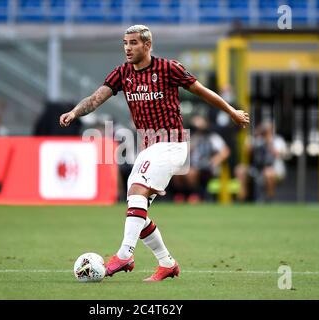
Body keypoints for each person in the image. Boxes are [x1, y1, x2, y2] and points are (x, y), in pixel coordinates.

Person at [59, 25, 249, 282]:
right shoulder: (122, 73)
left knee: (136, 190)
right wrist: (74, 112)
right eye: (125, 43)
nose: (128, 48)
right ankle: (167, 263)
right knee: (137, 205)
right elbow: (95, 98)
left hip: (172, 143)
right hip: (149, 147)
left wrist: (232, 111)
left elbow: (203, 92)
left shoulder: (169, 68)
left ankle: (124, 255)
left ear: (147, 45)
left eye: (134, 43)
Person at [171, 115, 230, 203]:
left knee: (191, 173)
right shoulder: (191, 137)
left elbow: (225, 151)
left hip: (206, 166)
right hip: (192, 165)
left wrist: (215, 160)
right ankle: (181, 195)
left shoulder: (212, 137)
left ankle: (196, 194)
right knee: (178, 173)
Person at [235, 121, 287, 202]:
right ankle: (242, 198)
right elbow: (247, 151)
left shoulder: (277, 140)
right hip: (256, 168)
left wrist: (268, 140)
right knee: (240, 169)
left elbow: (277, 154)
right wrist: (256, 136)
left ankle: (270, 198)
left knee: (268, 172)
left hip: (274, 169)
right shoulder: (256, 138)